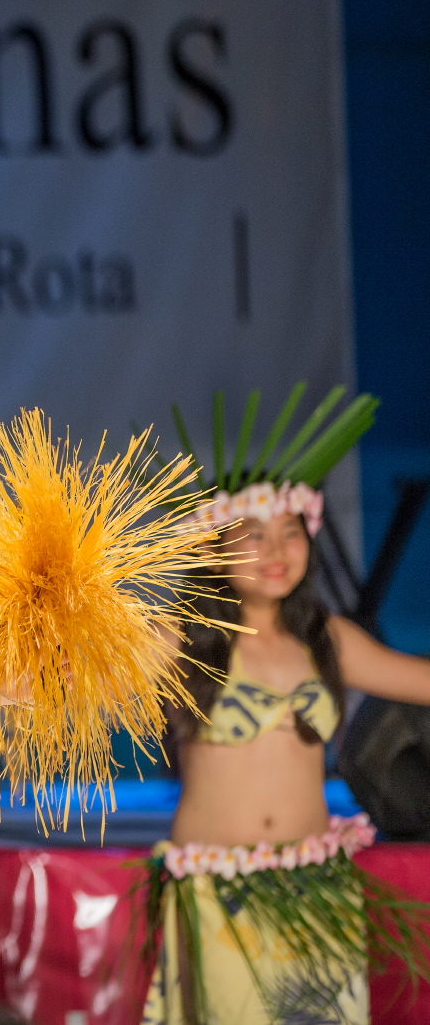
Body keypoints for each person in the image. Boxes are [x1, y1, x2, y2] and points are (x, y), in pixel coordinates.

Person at [143, 386, 430, 1024]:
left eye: (291, 531)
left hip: (315, 886)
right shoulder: (178, 640)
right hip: (219, 896)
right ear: (211, 545)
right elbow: (72, 681)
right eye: (253, 534)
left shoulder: (326, 639)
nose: (277, 551)